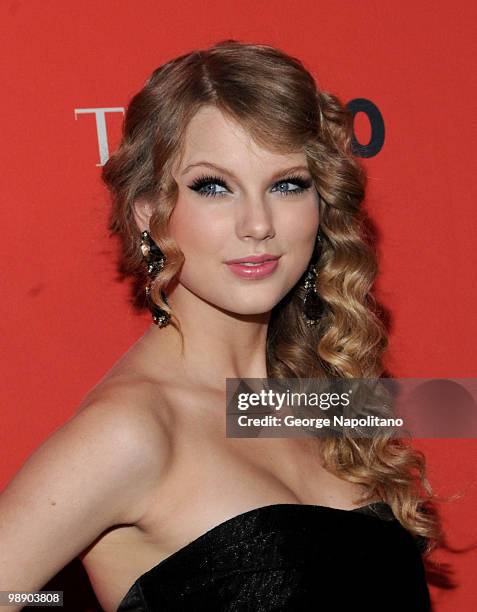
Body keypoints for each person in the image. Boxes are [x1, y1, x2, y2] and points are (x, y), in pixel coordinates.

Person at [0, 40, 441, 611]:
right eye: (213, 186)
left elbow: (452, 406)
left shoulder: (314, 399)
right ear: (149, 212)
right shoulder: (132, 432)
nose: (257, 224)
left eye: (287, 184)